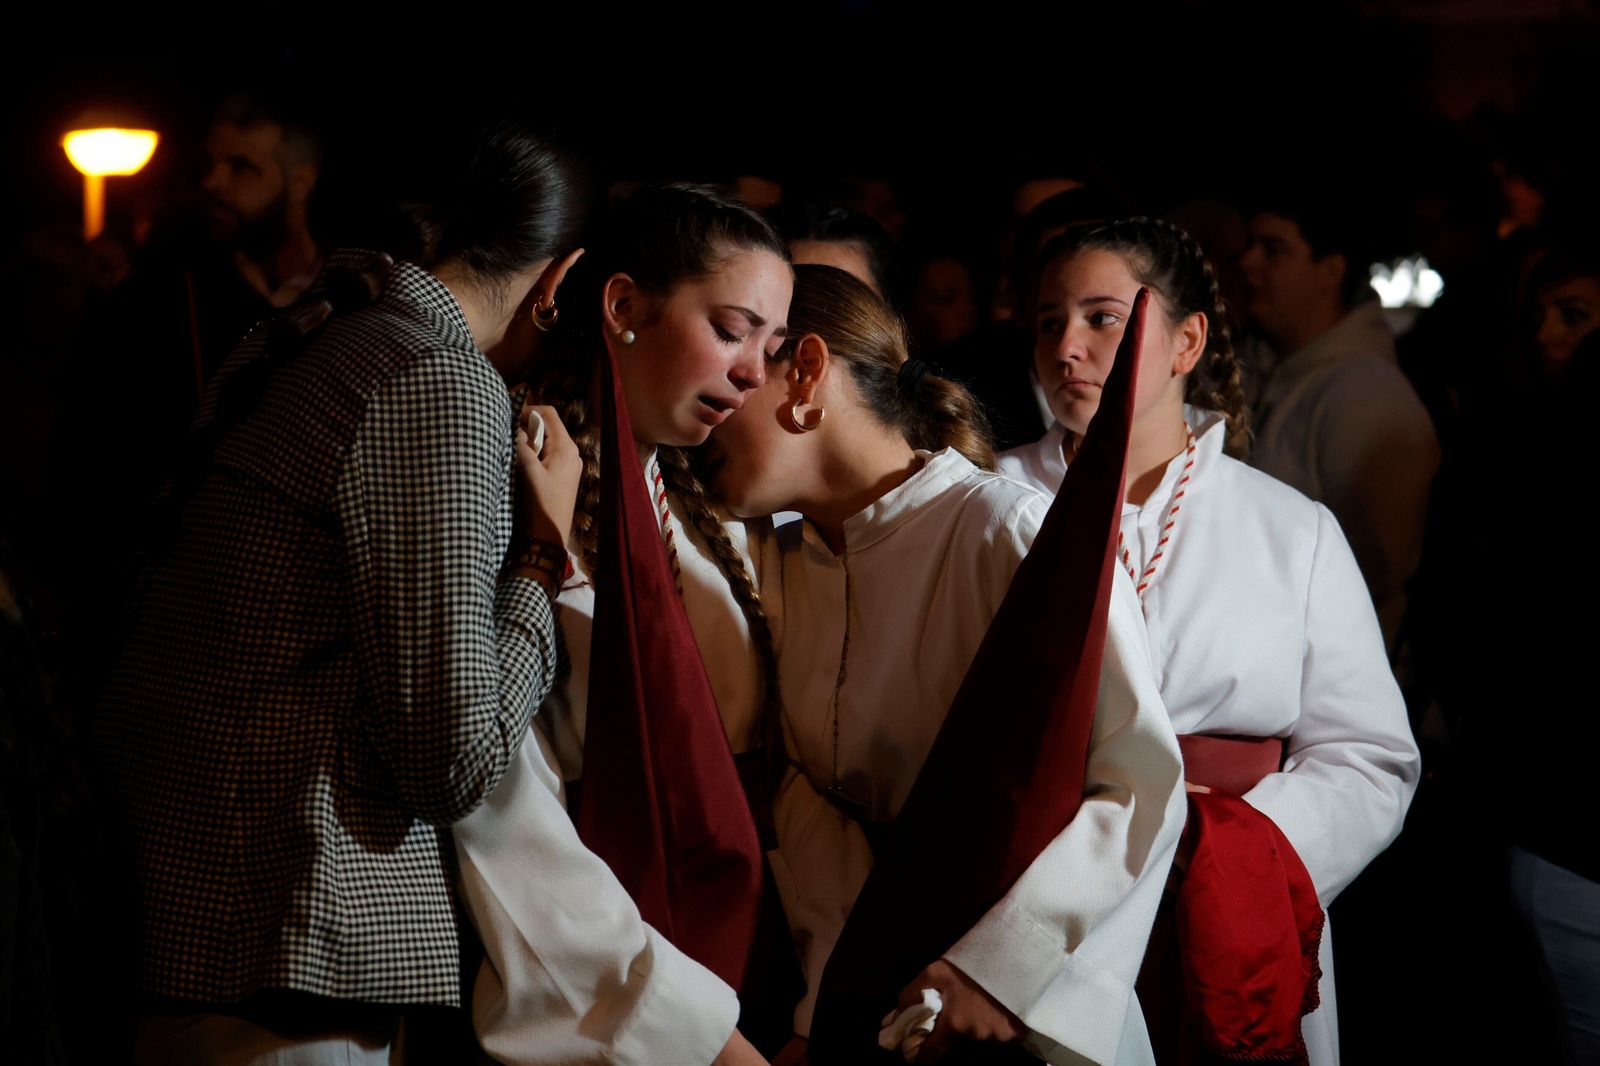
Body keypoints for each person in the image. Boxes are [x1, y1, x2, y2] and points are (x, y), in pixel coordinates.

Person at [93, 121, 586, 1064]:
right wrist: (541, 555)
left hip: (172, 903)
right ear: (559, 282)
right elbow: (450, 758)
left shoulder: (310, 333)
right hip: (278, 929)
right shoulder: (435, 376)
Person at [709, 263, 1185, 1065]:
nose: (710, 418)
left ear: (807, 374)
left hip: (1021, 1008)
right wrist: (819, 1008)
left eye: (735, 381)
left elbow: (1140, 783)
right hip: (871, 996)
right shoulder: (781, 561)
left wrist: (1002, 969)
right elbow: (814, 800)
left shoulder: (1004, 529)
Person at [1000, 218, 1420, 1065]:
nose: (1067, 347)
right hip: (1033, 915)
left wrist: (1223, 856)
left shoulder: (1288, 529)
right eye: (1049, 321)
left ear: (1186, 340)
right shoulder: (985, 505)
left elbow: (1369, 753)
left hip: (1232, 916)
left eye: (1102, 317)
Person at [457, 183, 794, 1065]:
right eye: (731, 330)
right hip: (619, 987)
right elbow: (507, 813)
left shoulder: (708, 510)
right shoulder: (521, 482)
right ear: (623, 305)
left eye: (774, 345)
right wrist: (691, 1029)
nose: (755, 373)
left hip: (747, 955)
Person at [1241, 195, 1440, 650]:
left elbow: (1376, 568)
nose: (1249, 263)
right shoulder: (1264, 369)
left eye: (1273, 250)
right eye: (1251, 246)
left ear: (1329, 271)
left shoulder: (1366, 396)